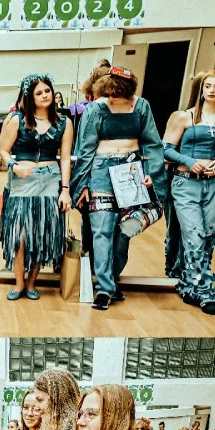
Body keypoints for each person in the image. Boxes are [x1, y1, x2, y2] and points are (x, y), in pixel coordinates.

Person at [70, 66, 165, 310]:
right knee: (101, 229)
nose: (112, 99)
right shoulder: (95, 109)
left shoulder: (141, 106)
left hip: (131, 171)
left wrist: (151, 173)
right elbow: (85, 149)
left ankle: (111, 280)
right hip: (100, 171)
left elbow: (153, 143)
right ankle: (104, 288)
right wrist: (83, 183)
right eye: (109, 95)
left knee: (124, 231)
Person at [0, 74, 75, 301]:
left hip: (50, 180)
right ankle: (19, 282)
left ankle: (32, 282)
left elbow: (65, 158)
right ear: (30, 97)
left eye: (47, 91)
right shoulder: (17, 119)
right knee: (20, 236)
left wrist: (65, 189)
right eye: (38, 93)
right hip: (22, 181)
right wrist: (14, 166)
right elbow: (3, 149)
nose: (44, 95)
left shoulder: (64, 122)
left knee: (42, 234)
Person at [164, 70, 215, 312]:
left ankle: (188, 284)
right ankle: (206, 291)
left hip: (213, 185)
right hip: (186, 183)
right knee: (194, 235)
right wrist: (189, 160)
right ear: (201, 89)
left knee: (209, 237)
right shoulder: (185, 117)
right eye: (208, 86)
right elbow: (165, 149)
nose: (212, 90)